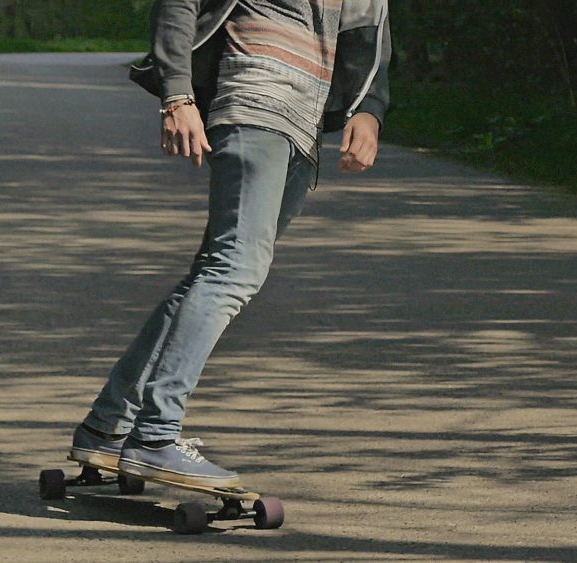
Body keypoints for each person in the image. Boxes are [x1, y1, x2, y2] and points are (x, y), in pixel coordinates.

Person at [69, 0, 391, 489]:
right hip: (254, 103)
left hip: (304, 126)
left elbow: (369, 32)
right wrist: (177, 96)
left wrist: (369, 109)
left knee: (215, 270)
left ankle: (108, 425)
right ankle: (155, 435)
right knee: (233, 270)